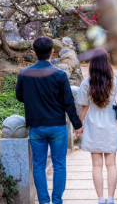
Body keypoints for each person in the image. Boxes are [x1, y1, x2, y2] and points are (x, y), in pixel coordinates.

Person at [16, 36, 83, 204]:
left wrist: (34, 100)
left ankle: (44, 202)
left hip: (36, 126)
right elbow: (68, 102)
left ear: (34, 53)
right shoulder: (60, 74)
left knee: (38, 166)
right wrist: (77, 125)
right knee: (59, 164)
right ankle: (57, 200)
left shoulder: (25, 73)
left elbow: (19, 96)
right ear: (52, 52)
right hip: (57, 126)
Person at [76, 48, 117, 204]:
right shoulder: (116, 81)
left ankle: (101, 199)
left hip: (93, 126)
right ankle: (111, 199)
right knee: (111, 164)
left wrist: (79, 125)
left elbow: (84, 107)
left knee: (97, 165)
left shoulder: (86, 83)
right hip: (110, 125)